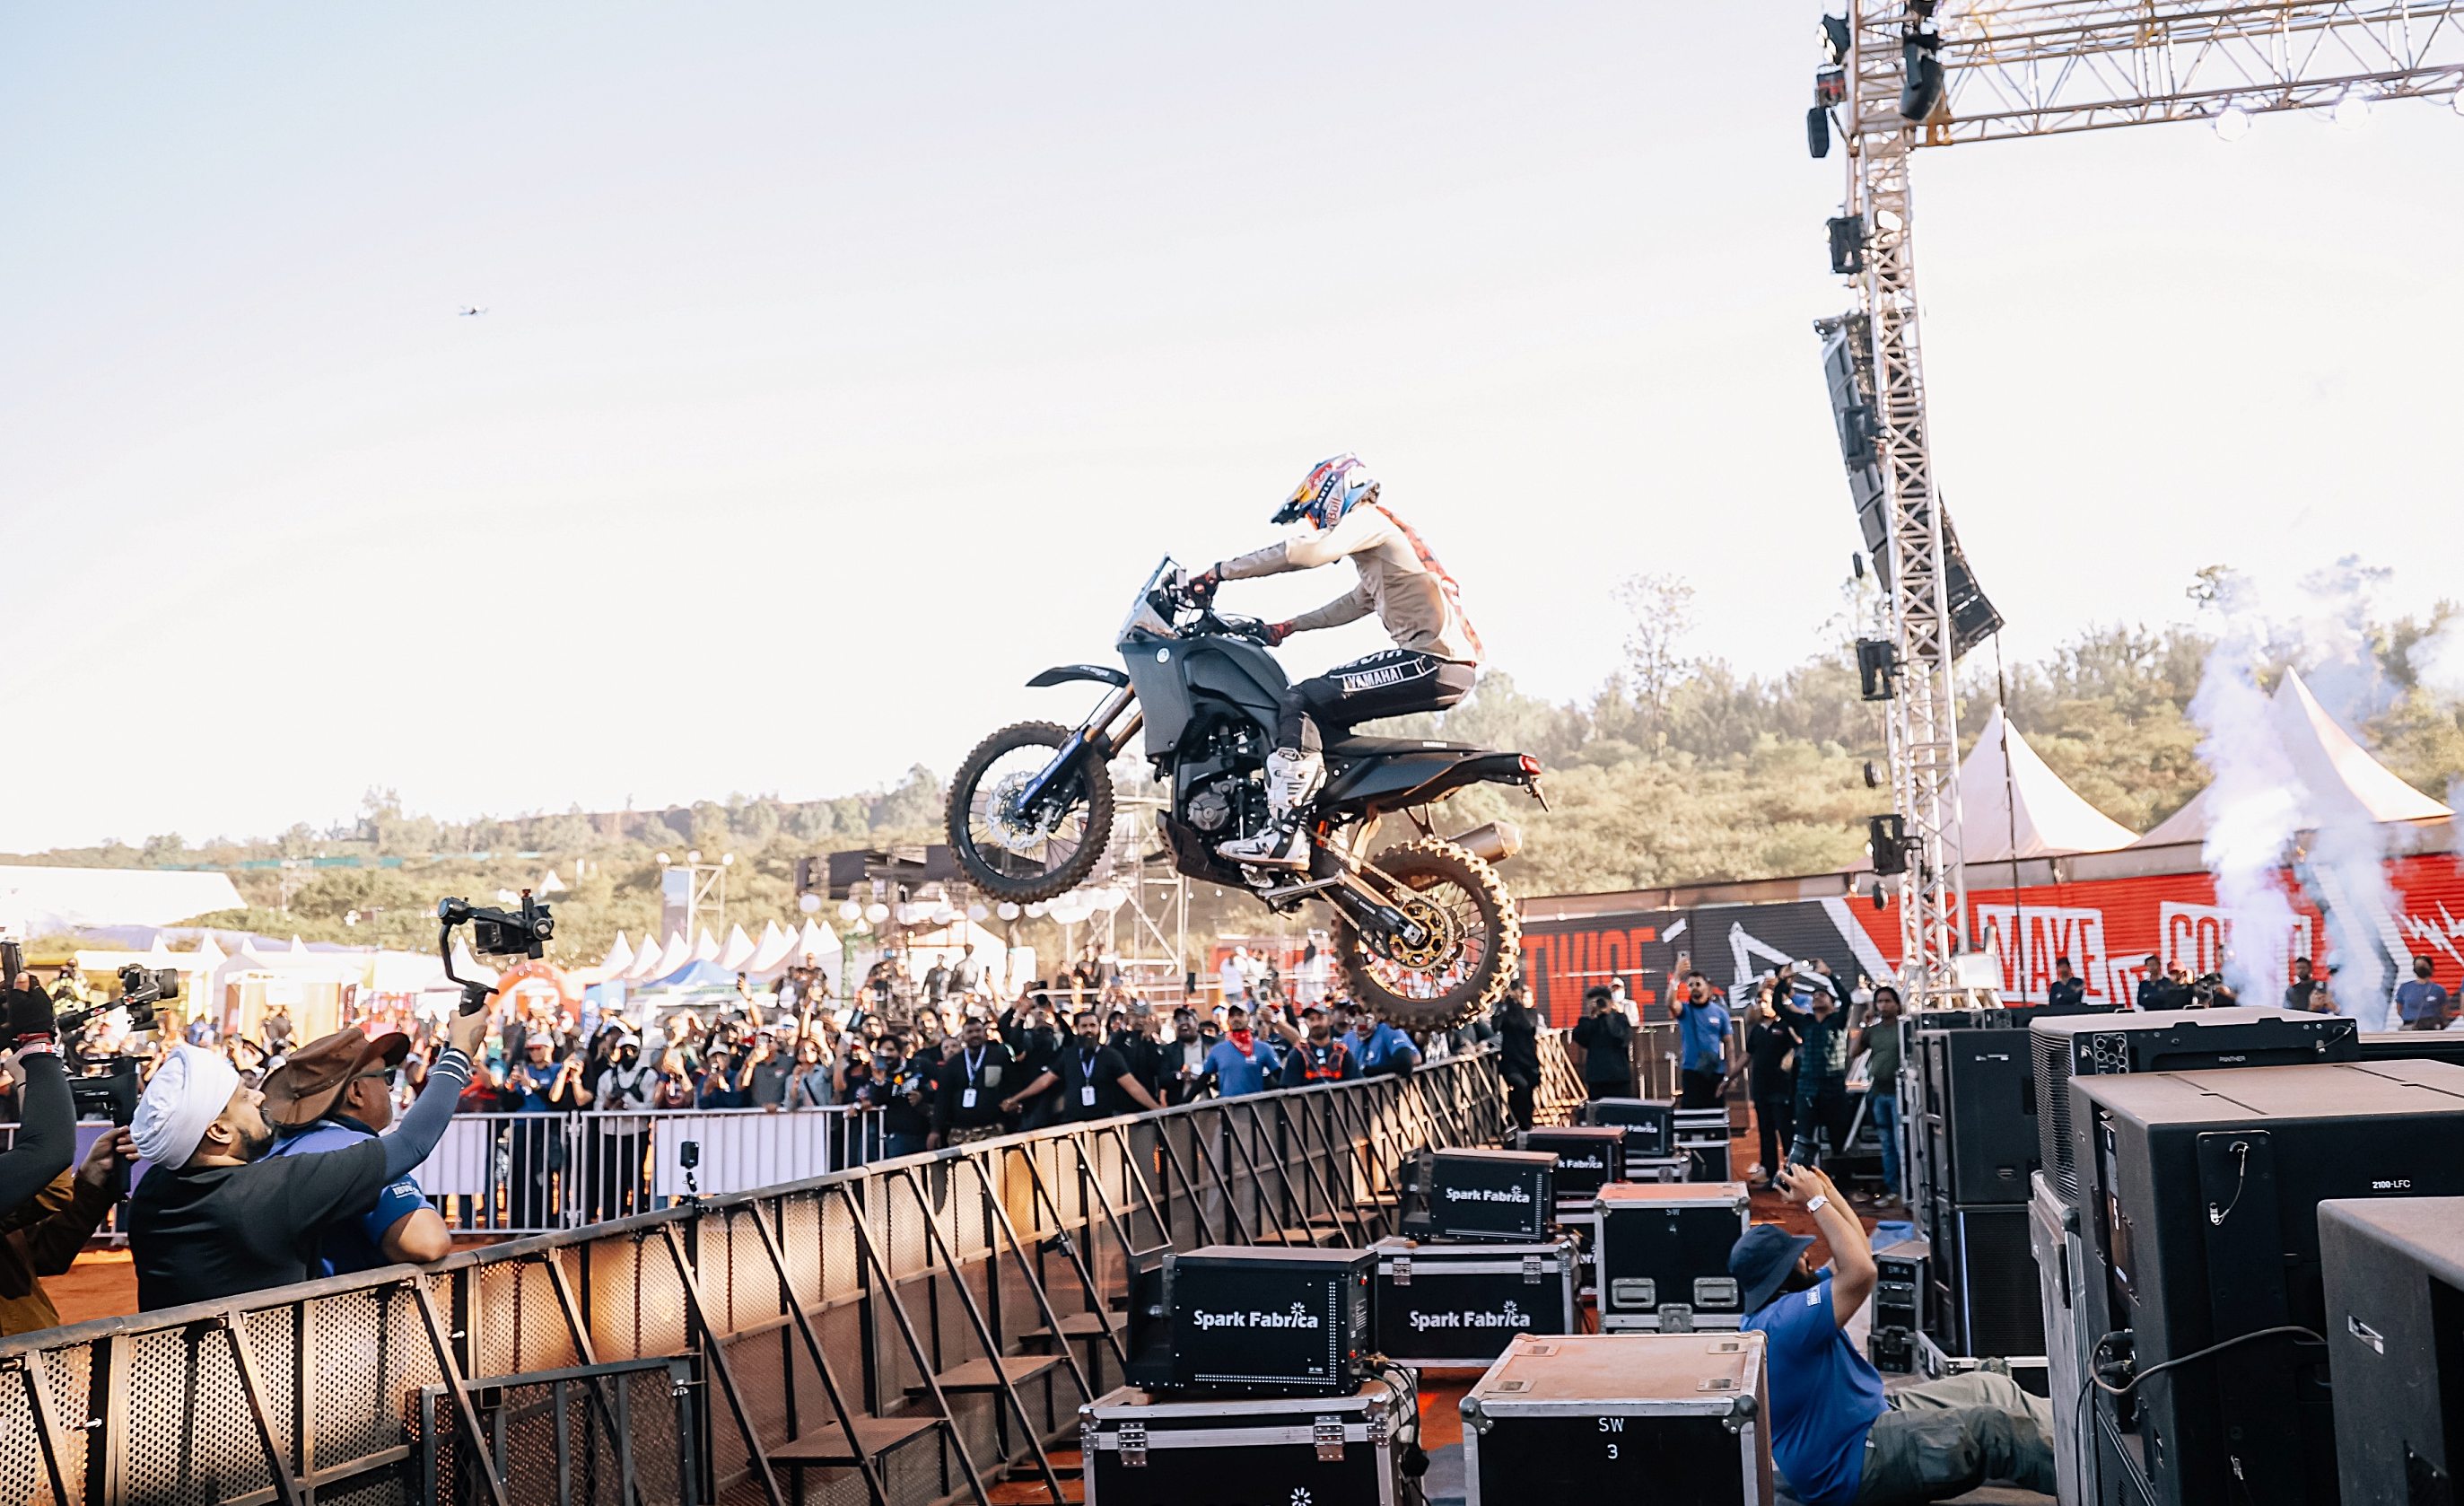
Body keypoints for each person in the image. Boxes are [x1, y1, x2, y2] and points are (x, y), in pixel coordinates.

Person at [1184, 453, 1483, 867]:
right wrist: (1289, 627)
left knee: (1300, 700)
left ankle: (1283, 836)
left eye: (1314, 512)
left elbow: (1306, 553)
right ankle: (1326, 830)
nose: (1315, 522)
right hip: (1440, 664)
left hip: (1431, 662)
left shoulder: (1368, 519)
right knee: (1320, 713)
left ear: (1336, 492)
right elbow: (1355, 602)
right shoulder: (1384, 545)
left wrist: (1220, 572)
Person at [126, 1006, 485, 1309]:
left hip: (169, 1368)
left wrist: (99, 1178)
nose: (260, 1098)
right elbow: (412, 1144)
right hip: (276, 1366)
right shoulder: (275, 1189)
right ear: (218, 1131)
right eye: (244, 1097)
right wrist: (458, 1052)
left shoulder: (152, 1192)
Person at [1737, 1163, 2054, 1502]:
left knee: (1988, 1386)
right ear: (1783, 1276)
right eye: (1799, 1258)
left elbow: (1858, 1253)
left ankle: (2075, 1435)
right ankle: (2087, 1481)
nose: (1807, 1258)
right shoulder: (1783, 1323)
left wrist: (1829, 1194)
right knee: (1993, 1430)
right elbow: (1861, 1273)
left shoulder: (1781, 1305)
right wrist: (1815, 1203)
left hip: (1867, 1418)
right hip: (1853, 1460)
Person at [260, 1028, 453, 1271]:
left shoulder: (273, 1149)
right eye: (386, 1076)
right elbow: (426, 1241)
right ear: (356, 1092)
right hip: (342, 1295)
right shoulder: (357, 1149)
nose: (390, 1088)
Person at [0, 1130, 127, 1336]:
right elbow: (54, 1193)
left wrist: (94, 1173)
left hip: (32, 1343)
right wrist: (52, 1132)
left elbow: (44, 1254)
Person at [1003, 1011, 1161, 1125]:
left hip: (1104, 1123)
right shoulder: (1068, 1055)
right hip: (1074, 1123)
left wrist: (1158, 1109)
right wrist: (1016, 1098)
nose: (1089, 1030)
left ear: (1099, 1028)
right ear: (1077, 1029)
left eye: (1092, 1025)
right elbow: (1045, 1081)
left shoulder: (1111, 1055)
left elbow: (1132, 1086)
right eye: (1084, 1026)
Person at [1776, 980, 1854, 1167]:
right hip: (1807, 1088)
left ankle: (1838, 1179)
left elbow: (1846, 999)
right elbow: (1778, 1007)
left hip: (1833, 1088)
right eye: (1815, 996)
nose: (1817, 997)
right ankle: (1800, 1176)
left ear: (1832, 1003)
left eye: (1822, 995)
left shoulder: (1838, 1020)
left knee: (1838, 1138)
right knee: (1803, 1137)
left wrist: (1829, 976)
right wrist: (1782, 981)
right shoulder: (1805, 1022)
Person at [587, 1028, 659, 1221]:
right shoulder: (606, 1076)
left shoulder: (648, 1075)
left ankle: (639, 1216)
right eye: (624, 1049)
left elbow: (650, 1107)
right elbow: (597, 1107)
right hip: (610, 1133)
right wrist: (609, 1105)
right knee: (610, 1176)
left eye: (632, 1050)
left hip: (636, 1132)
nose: (628, 1053)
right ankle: (611, 1217)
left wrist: (627, 1101)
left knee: (634, 1175)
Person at [931, 1015, 1014, 1147]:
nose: (974, 1035)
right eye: (970, 1032)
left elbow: (1012, 1084)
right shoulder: (953, 1064)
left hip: (993, 1127)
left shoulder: (999, 1057)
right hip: (961, 1130)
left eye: (978, 1031)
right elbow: (942, 1098)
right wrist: (935, 1130)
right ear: (963, 1036)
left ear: (984, 1033)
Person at [1856, 985, 1906, 1207]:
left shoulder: (1904, 1028)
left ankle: (1906, 1190)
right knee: (1887, 1145)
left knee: (1901, 1143)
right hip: (1878, 1094)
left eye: (1887, 1001)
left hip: (1899, 1094)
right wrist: (1865, 1025)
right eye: (1880, 1001)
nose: (1883, 1005)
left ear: (1897, 1004)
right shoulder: (1873, 1031)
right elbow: (1853, 1052)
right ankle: (1893, 1190)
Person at [1198, 1005, 1280, 1097]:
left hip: (1255, 1104)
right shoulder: (1218, 1050)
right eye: (1232, 1016)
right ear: (1228, 1020)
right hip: (1228, 1104)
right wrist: (1186, 1101)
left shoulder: (1263, 1048)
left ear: (1248, 1018)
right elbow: (1203, 1078)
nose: (1236, 1019)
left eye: (1240, 1015)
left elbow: (1280, 1076)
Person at [1676, 970, 1731, 1110]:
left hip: (1715, 1071)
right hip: (1692, 1071)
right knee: (1692, 1114)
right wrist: (1676, 977)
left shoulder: (1720, 1013)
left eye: (1698, 984)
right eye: (1690, 985)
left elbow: (1729, 1044)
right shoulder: (1684, 1010)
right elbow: (1670, 1002)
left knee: (1716, 1113)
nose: (1694, 987)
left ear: (1707, 986)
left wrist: (1731, 1074)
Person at [1570, 985, 1633, 1100]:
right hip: (1597, 1078)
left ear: (1610, 1002)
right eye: (1593, 1002)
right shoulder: (1587, 1022)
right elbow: (1580, 1037)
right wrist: (1594, 1016)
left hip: (1618, 1077)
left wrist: (1609, 1015)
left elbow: (1622, 1038)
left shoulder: (1620, 1019)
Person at [1492, 984, 1542, 1131]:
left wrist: (1515, 1006)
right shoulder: (1506, 1013)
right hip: (1512, 1063)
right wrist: (1502, 1005)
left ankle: (1517, 1121)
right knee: (1521, 1087)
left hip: (1529, 1063)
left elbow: (1527, 1025)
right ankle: (1521, 1123)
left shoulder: (1531, 1014)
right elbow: (1496, 1026)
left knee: (1526, 1093)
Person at [1280, 1004, 1363, 1086]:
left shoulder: (1343, 1053)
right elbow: (1288, 1090)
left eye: (1320, 1018)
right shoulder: (1297, 1054)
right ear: (1306, 1023)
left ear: (1330, 1020)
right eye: (1311, 1019)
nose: (1316, 1023)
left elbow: (1358, 1086)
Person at [1343, 1002, 1421, 1077]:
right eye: (1352, 1013)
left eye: (1362, 1011)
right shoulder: (1348, 1039)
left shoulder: (1390, 1029)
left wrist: (1369, 1071)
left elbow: (1405, 1064)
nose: (1358, 1019)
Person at [2397, 955, 2453, 1030]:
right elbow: (2399, 1009)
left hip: (2431, 1028)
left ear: (2430, 967)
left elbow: (2445, 1012)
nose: (2420, 967)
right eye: (2418, 965)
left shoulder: (2439, 990)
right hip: (2411, 1027)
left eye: (2423, 965)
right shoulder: (2405, 988)